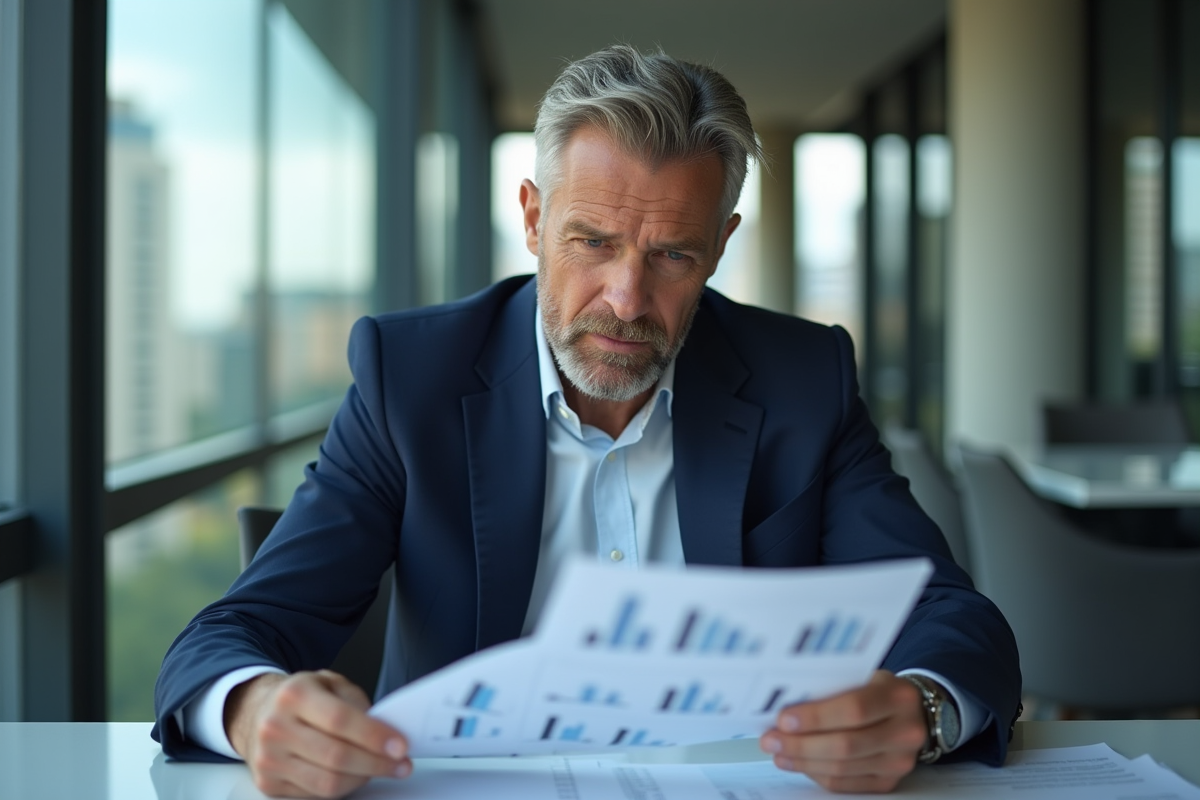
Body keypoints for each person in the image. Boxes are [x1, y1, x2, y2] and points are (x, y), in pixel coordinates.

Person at [153, 45, 1021, 798]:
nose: (626, 299)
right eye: (593, 241)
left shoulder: (803, 380)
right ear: (533, 219)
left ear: (720, 246)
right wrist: (255, 707)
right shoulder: (409, 378)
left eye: (672, 255)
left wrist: (924, 710)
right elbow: (233, 633)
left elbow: (952, 616)